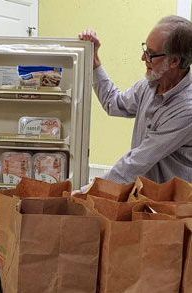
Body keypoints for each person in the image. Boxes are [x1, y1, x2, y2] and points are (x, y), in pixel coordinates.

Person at [79, 15, 192, 184]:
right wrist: (95, 60)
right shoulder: (149, 85)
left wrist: (91, 189)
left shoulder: (186, 108)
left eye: (151, 54)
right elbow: (114, 104)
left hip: (176, 204)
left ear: (174, 61)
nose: (142, 58)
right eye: (145, 49)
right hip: (146, 193)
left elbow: (138, 161)